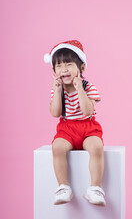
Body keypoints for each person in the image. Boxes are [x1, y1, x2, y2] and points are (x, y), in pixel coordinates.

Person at [44, 40, 106, 206]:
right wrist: (57, 91)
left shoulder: (88, 87)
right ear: (53, 70)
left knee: (96, 146)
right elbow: (55, 113)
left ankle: (95, 188)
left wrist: (80, 89)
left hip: (88, 126)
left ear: (82, 68)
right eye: (59, 66)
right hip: (67, 128)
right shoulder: (57, 89)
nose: (64, 69)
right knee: (57, 147)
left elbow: (87, 111)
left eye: (69, 64)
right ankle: (63, 186)